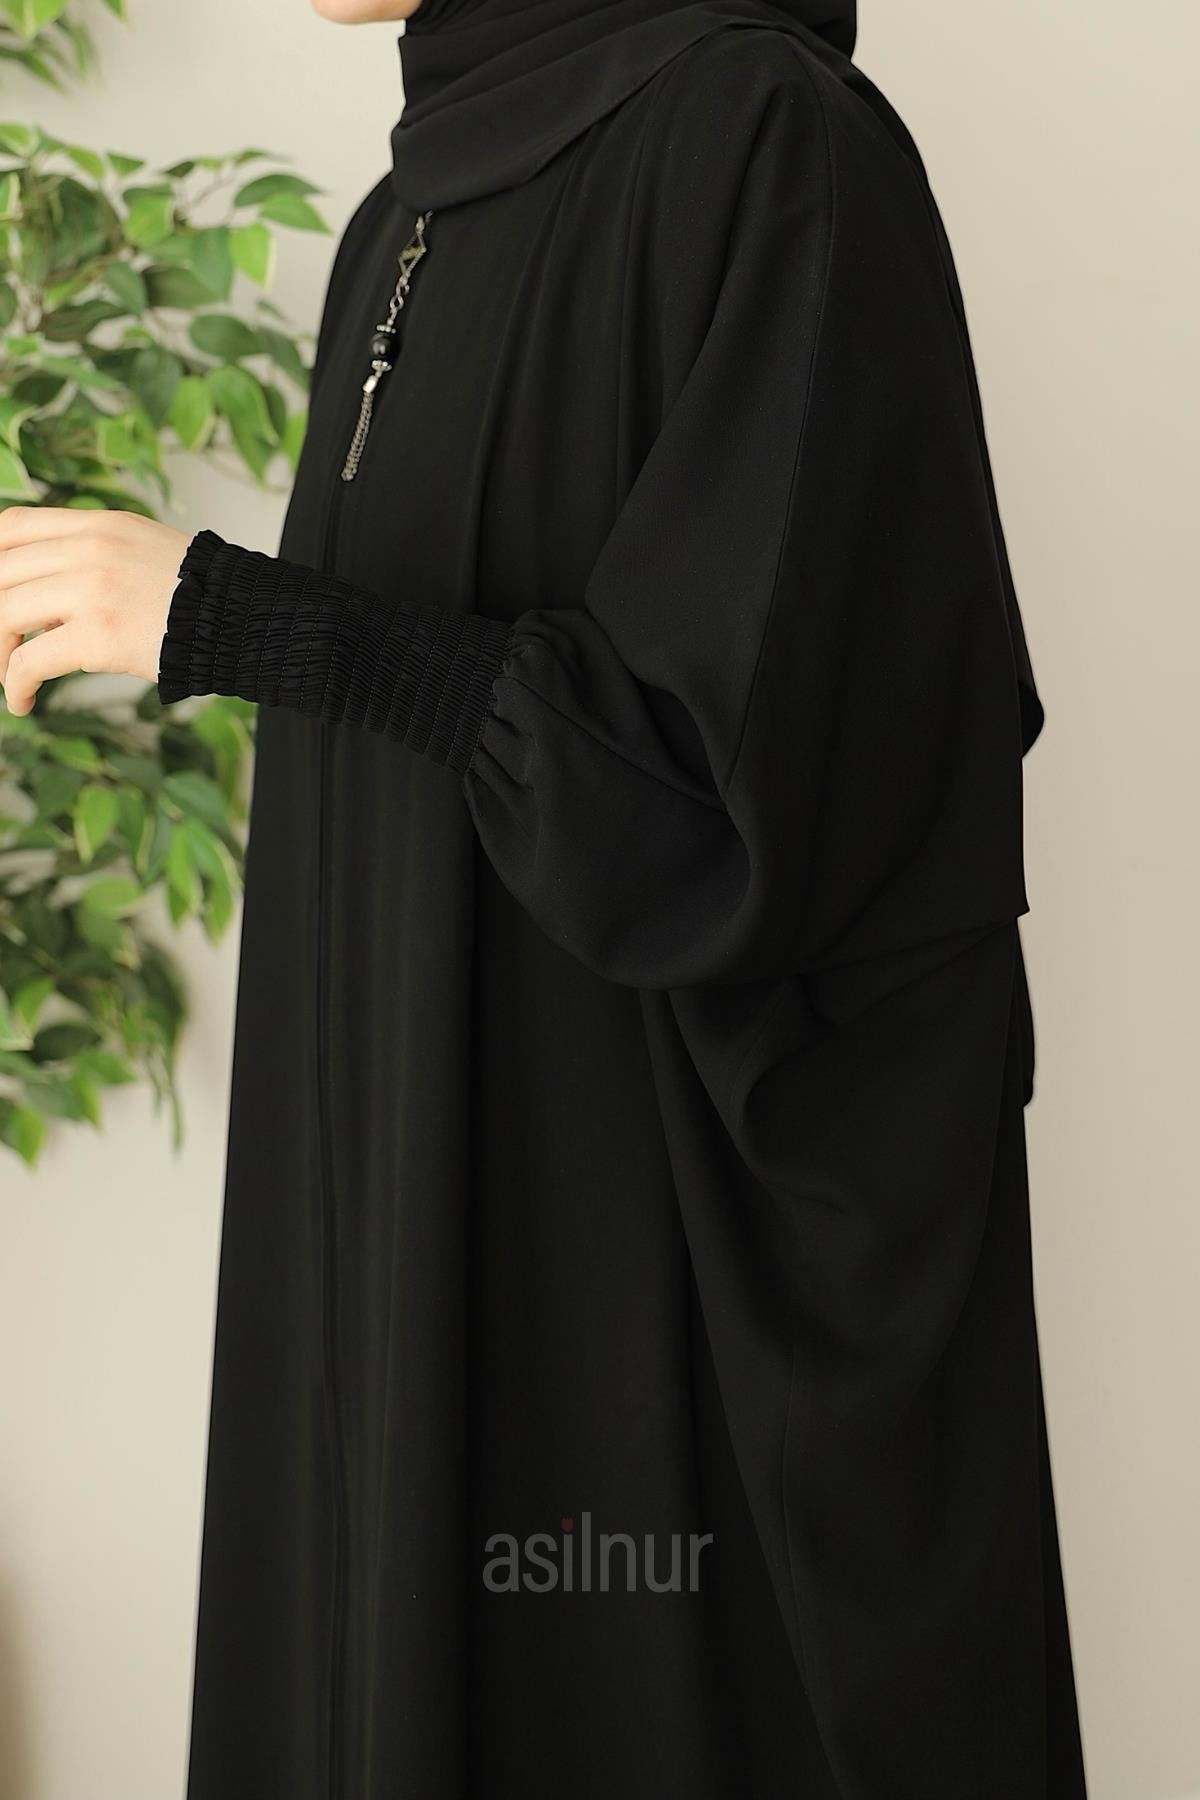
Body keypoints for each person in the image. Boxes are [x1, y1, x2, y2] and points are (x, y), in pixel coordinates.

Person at [0, 0, 1090, 1794]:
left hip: (629, 1314)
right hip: (391, 1248)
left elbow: (732, 809)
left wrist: (235, 618)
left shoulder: (769, 142)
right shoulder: (401, 216)